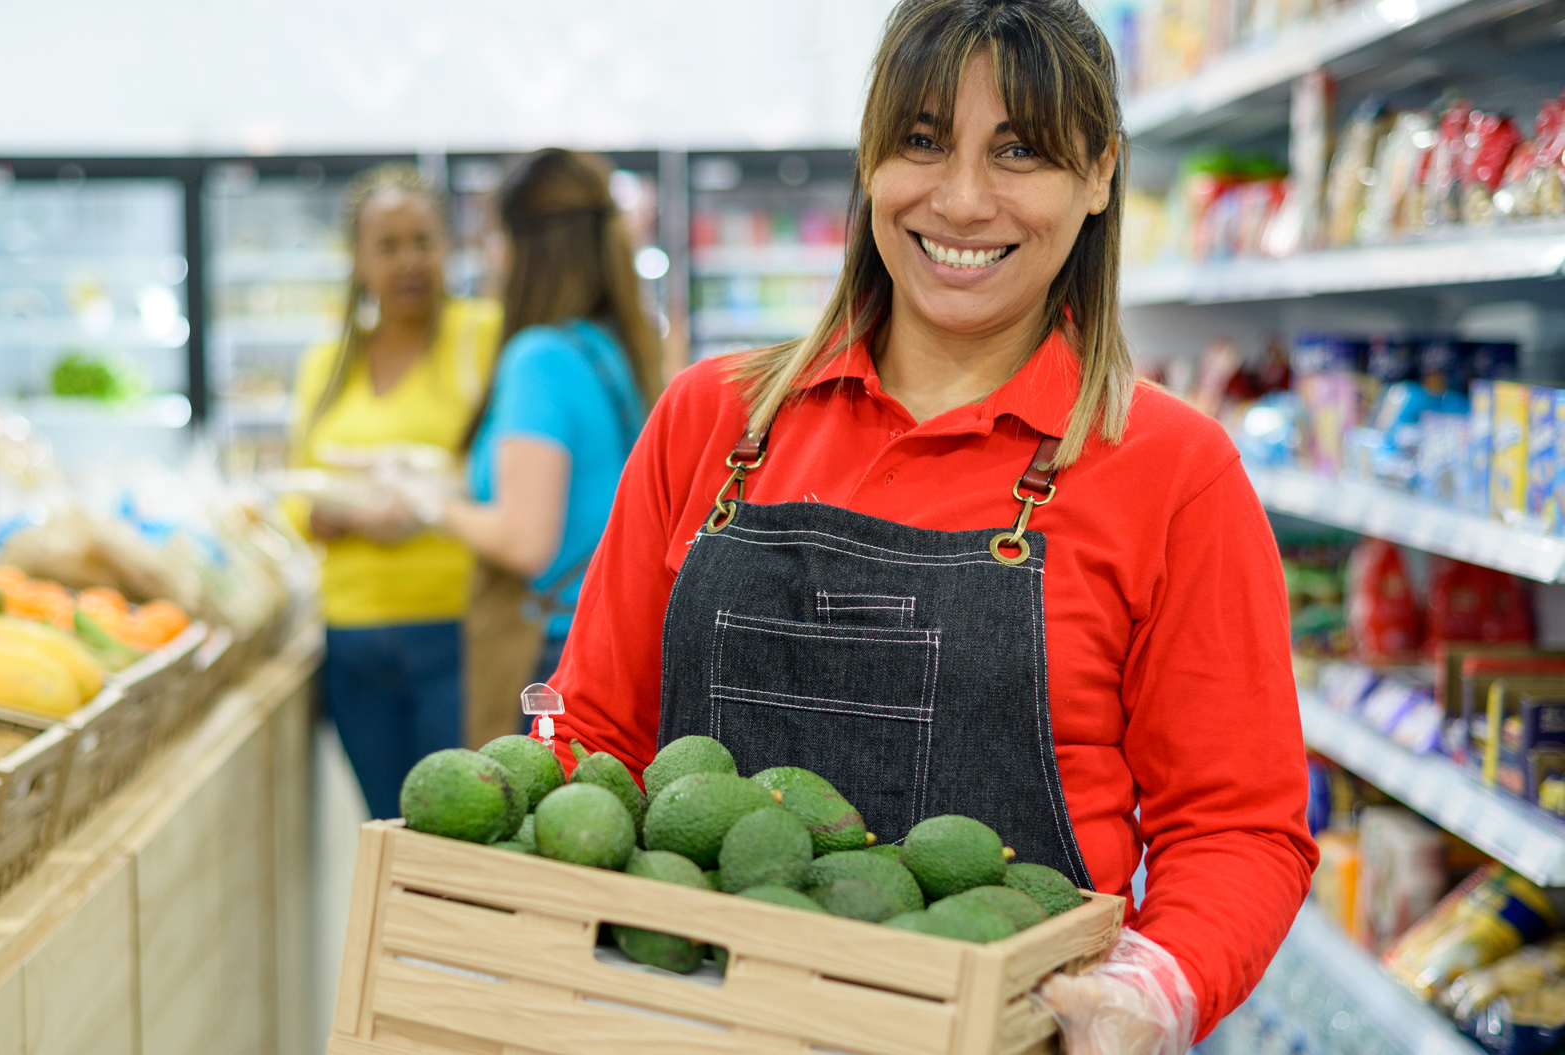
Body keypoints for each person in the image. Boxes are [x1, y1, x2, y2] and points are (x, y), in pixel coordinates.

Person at [543, 0, 1317, 1050]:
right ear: (868, 161)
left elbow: (1235, 826)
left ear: (1096, 175)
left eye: (1019, 151)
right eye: (920, 140)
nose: (960, 199)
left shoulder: (1171, 471)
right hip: (683, 1023)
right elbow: (595, 735)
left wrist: (1155, 985)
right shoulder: (714, 419)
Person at [289, 163, 500, 821]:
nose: (409, 260)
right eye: (388, 245)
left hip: (456, 629)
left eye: (422, 241)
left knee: (466, 829)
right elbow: (295, 496)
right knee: (389, 828)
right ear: (357, 260)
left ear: (448, 247)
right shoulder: (326, 364)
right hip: (352, 641)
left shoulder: (483, 336)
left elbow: (504, 473)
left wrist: (421, 499)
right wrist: (341, 514)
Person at [434, 150, 656, 747]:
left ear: (523, 245)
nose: (491, 257)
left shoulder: (541, 358)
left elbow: (526, 541)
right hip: (601, 643)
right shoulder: (611, 346)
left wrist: (424, 504)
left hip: (547, 651)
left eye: (495, 237)